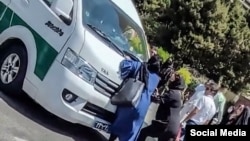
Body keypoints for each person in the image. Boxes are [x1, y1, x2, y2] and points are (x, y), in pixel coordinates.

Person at [108, 55, 161, 141]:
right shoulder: (157, 79)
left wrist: (128, 59)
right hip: (142, 108)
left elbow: (125, 66)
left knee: (119, 125)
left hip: (130, 101)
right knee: (131, 133)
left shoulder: (139, 65)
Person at [137, 72, 186, 141]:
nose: (169, 81)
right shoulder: (179, 94)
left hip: (166, 126)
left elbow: (158, 99)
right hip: (173, 127)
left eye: (172, 80)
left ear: (176, 82)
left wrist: (155, 94)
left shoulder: (173, 93)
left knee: (144, 132)